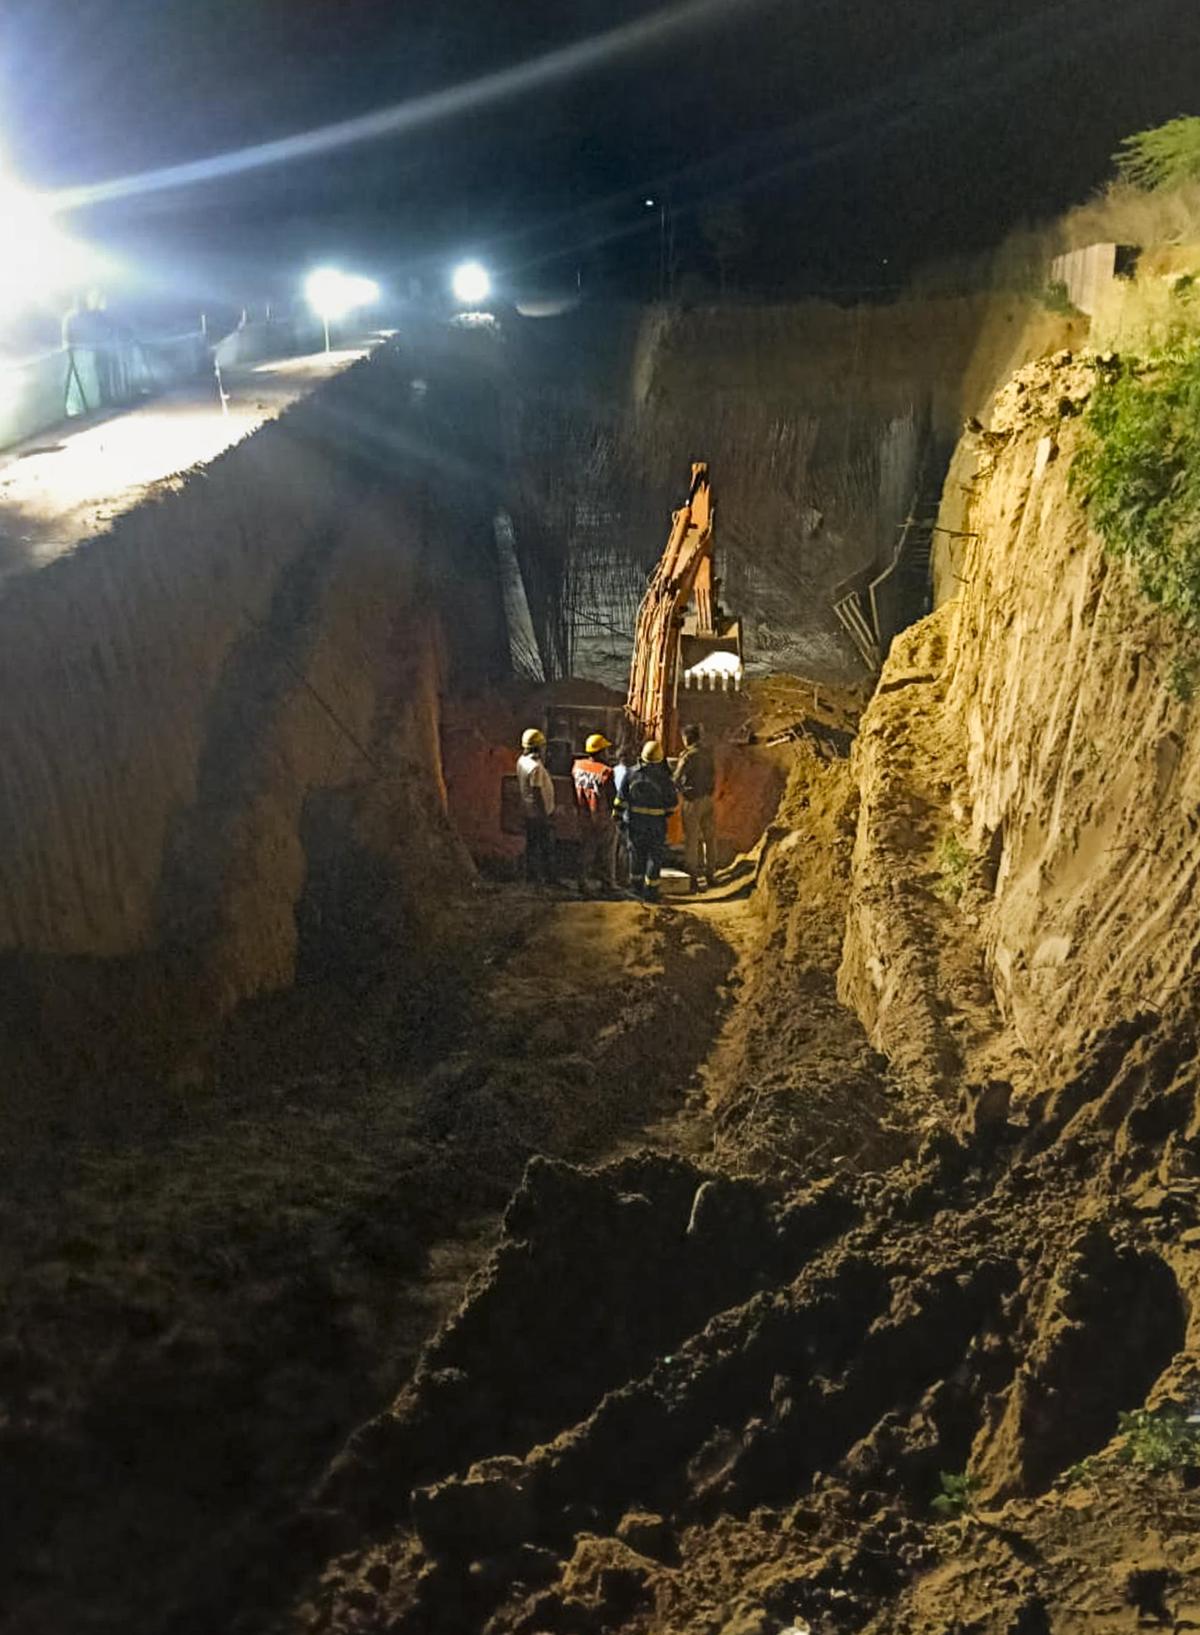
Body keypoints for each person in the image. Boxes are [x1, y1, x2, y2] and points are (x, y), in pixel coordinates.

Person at [618, 739, 677, 903]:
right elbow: (672, 806)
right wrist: (662, 814)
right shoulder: (665, 779)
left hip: (635, 823)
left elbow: (620, 799)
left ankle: (635, 890)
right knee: (654, 857)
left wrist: (618, 818)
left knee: (636, 855)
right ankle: (651, 892)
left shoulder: (631, 773)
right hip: (656, 825)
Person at [571, 733, 618, 895]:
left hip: (583, 815)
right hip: (602, 816)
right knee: (607, 852)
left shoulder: (577, 766)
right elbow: (613, 797)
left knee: (586, 850)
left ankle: (582, 882)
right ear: (601, 752)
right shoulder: (606, 772)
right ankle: (607, 884)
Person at [674, 722, 717, 892]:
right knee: (710, 838)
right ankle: (711, 874)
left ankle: (692, 877)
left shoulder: (688, 756)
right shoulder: (707, 753)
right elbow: (714, 775)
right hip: (708, 799)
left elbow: (677, 778)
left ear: (687, 738)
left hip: (692, 801)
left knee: (691, 840)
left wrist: (680, 790)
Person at [516, 727, 557, 885]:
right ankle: (548, 878)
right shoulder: (535, 767)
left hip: (528, 811)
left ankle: (532, 877)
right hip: (538, 813)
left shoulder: (522, 761)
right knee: (546, 847)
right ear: (539, 747)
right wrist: (544, 815)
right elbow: (537, 791)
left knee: (532, 845)